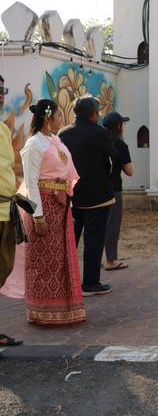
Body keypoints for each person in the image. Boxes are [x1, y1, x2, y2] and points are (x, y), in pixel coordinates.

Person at [19, 100, 86, 325]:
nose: (60, 119)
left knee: (61, 259)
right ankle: (42, 311)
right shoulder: (34, 144)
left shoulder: (56, 141)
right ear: (48, 118)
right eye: (58, 115)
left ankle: (65, 309)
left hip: (60, 208)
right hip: (43, 208)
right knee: (44, 262)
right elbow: (31, 183)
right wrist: (38, 216)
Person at [59, 96, 115, 296]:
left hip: (72, 195)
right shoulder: (100, 132)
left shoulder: (63, 133)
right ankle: (90, 283)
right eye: (98, 111)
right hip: (97, 195)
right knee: (94, 240)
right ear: (93, 113)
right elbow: (110, 160)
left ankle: (65, 281)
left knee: (70, 239)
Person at [0, 76, 24, 345]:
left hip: (6, 209)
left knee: (3, 268)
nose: (0, 95)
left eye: (2, 90)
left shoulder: (4, 130)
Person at [102, 112, 133, 271]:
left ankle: (96, 260)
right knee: (113, 226)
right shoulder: (120, 145)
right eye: (123, 124)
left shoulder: (99, 142)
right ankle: (110, 260)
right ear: (119, 127)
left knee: (98, 226)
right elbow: (130, 171)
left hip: (97, 189)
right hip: (114, 189)